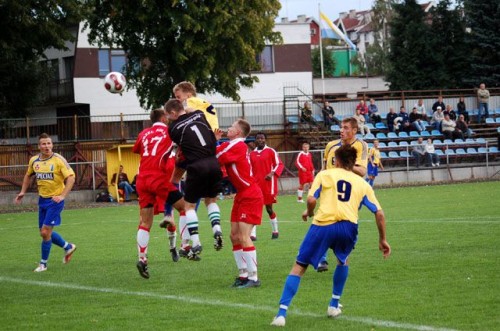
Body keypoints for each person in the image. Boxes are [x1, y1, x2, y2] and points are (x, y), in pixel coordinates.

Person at [270, 145, 391, 327]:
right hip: (348, 227)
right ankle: (334, 305)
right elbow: (379, 213)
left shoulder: (325, 174)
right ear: (353, 163)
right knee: (343, 260)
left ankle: (281, 314)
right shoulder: (362, 184)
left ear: (336, 160)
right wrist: (382, 239)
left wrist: (309, 211)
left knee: (299, 267)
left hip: (323, 225)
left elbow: (311, 199)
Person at [164, 98, 223, 260]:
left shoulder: (173, 128)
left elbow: (182, 145)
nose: (168, 119)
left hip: (196, 166)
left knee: (189, 206)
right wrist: (186, 109)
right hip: (213, 163)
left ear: (174, 113)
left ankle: (195, 241)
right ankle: (216, 229)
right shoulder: (199, 114)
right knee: (211, 201)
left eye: (169, 115)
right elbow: (191, 113)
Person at [132, 108, 186, 278]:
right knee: (186, 208)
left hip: (142, 180)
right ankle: (187, 246)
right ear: (164, 117)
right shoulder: (169, 131)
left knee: (145, 223)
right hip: (159, 179)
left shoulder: (143, 133)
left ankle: (142, 258)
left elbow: (138, 150)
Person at [14, 133, 77, 272]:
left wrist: (62, 196)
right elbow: (27, 175)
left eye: (49, 143)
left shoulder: (59, 160)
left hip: (55, 201)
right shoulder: (34, 160)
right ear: (39, 146)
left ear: (52, 145)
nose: (47, 146)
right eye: (44, 144)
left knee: (44, 232)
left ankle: (43, 264)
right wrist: (23, 191)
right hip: (42, 200)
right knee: (44, 233)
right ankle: (68, 247)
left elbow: (71, 177)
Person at [215, 119, 264, 288]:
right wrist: (215, 141)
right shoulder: (232, 144)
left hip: (250, 194)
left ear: (238, 132)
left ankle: (253, 277)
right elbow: (218, 150)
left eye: (232, 127)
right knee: (234, 236)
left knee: (244, 236)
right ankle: (243, 275)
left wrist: (211, 143)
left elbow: (217, 155)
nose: (228, 128)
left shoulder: (238, 145)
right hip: (241, 195)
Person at [321, 117, 368, 272]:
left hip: (350, 194)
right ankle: (322, 259)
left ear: (354, 131)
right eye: (341, 127)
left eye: (346, 128)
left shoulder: (361, 145)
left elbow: (362, 171)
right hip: (330, 192)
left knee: (344, 226)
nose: (342, 130)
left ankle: (342, 254)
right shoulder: (330, 146)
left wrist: (345, 164)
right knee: (324, 222)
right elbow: (324, 170)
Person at [249, 132, 284, 240]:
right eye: (258, 138)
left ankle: (275, 231)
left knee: (269, 209)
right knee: (254, 209)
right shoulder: (251, 154)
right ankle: (253, 234)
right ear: (255, 140)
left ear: (265, 140)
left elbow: (279, 164)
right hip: (256, 186)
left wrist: (272, 173)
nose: (260, 140)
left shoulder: (270, 151)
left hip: (268, 185)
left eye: (262, 138)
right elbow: (249, 170)